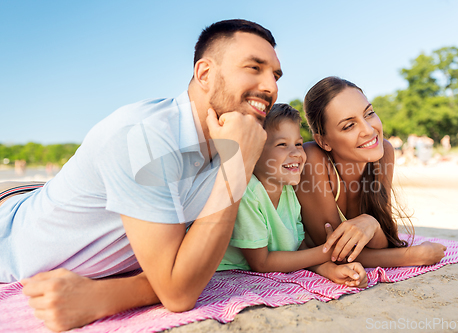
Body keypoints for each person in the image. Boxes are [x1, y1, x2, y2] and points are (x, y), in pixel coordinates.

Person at [0, 19, 282, 331]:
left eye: (275, 75)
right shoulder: (144, 136)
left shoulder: (236, 142)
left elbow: (180, 280)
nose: (271, 87)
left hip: (35, 198)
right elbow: (178, 291)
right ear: (204, 74)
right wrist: (237, 166)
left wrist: (106, 294)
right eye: (254, 68)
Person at [296, 76, 446, 268]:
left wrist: (371, 224)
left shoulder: (384, 153)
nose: (368, 130)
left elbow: (384, 239)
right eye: (349, 125)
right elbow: (331, 250)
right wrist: (412, 255)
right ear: (323, 141)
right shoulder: (313, 159)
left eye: (369, 114)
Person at [217, 103, 367, 288]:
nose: (296, 152)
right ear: (253, 152)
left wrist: (330, 270)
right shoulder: (247, 193)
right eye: (282, 145)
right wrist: (327, 251)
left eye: (298, 144)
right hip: (225, 270)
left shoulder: (288, 190)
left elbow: (298, 248)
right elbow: (261, 263)